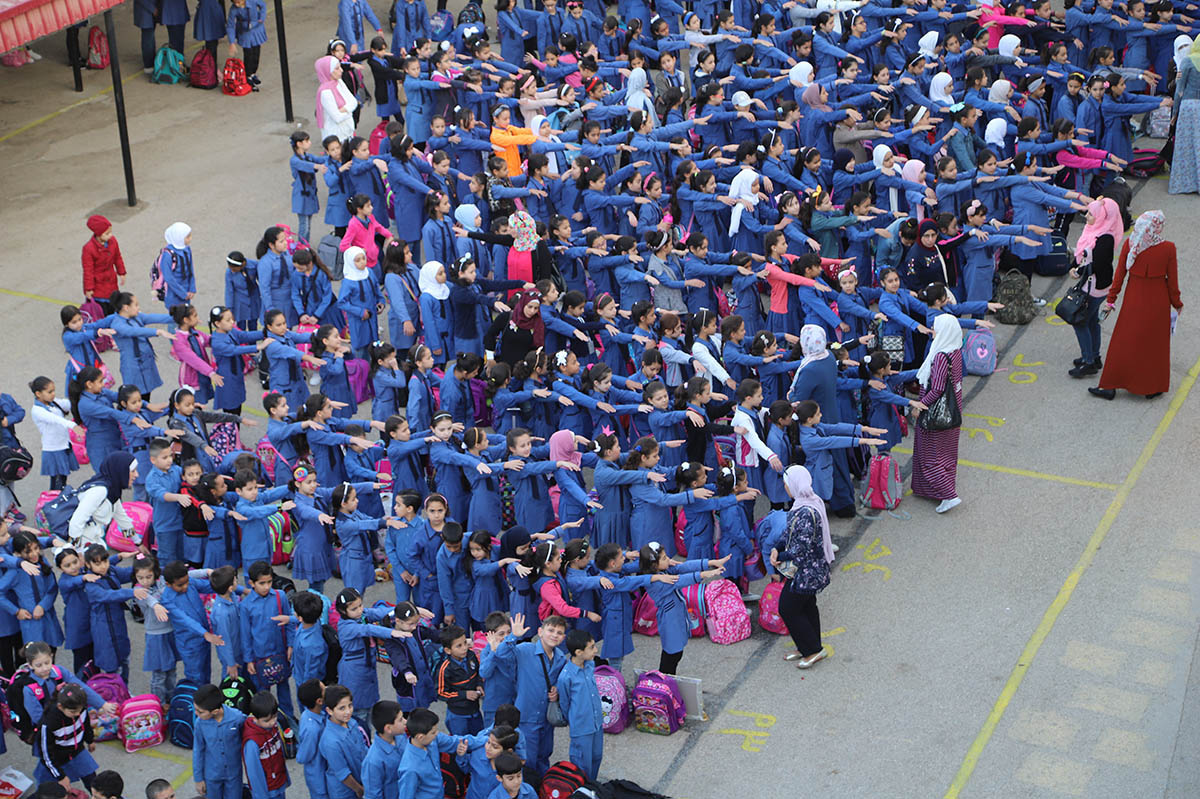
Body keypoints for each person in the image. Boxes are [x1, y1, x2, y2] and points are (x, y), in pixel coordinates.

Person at [1090, 210, 1185, 400]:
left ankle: (1110, 385)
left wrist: (1111, 299)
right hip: (1158, 301)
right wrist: (1177, 303)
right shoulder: (1168, 248)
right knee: (1154, 345)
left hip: (1134, 299)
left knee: (1122, 341)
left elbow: (1119, 275)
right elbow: (1173, 282)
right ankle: (1152, 387)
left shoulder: (1131, 243)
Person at [770, 466, 833, 669]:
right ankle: (807, 646)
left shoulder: (805, 511)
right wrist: (777, 547)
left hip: (806, 571)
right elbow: (790, 533)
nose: (785, 487)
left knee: (787, 608)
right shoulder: (804, 503)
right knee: (806, 606)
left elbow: (800, 548)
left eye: (786, 484)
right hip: (808, 570)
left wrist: (779, 556)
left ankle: (813, 650)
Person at [911, 314, 965, 513]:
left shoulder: (941, 356)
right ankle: (937, 490)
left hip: (936, 412)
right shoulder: (955, 350)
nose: (933, 332)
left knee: (930, 455)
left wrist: (919, 405)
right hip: (952, 410)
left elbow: (937, 389)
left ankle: (948, 495)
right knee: (947, 453)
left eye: (935, 328)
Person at [1067, 198, 1123, 377]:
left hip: (1095, 287)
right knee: (1091, 321)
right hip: (1093, 284)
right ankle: (1094, 356)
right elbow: (1083, 253)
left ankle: (1088, 361)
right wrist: (1073, 265)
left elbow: (1098, 263)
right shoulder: (1095, 229)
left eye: (1091, 214)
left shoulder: (1105, 238)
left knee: (1079, 321)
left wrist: (1078, 270)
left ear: (1102, 217)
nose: (1086, 216)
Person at [67, 452, 138, 549]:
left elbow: (122, 519)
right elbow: (76, 523)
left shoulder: (113, 491)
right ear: (120, 471)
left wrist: (138, 542)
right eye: (133, 471)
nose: (136, 475)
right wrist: (76, 551)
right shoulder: (100, 491)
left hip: (93, 542)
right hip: (84, 545)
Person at [193, 683, 248, 799]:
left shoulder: (237, 718)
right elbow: (198, 750)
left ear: (215, 711)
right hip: (211, 776)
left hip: (233, 775)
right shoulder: (200, 723)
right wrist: (198, 779)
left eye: (200, 711)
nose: (196, 713)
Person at [81, 215, 125, 315]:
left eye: (110, 232)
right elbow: (88, 270)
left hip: (111, 282)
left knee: (114, 309)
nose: (110, 235)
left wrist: (121, 272)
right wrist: (89, 288)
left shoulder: (113, 241)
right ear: (98, 234)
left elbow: (117, 257)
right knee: (102, 312)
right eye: (107, 233)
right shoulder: (88, 249)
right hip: (98, 287)